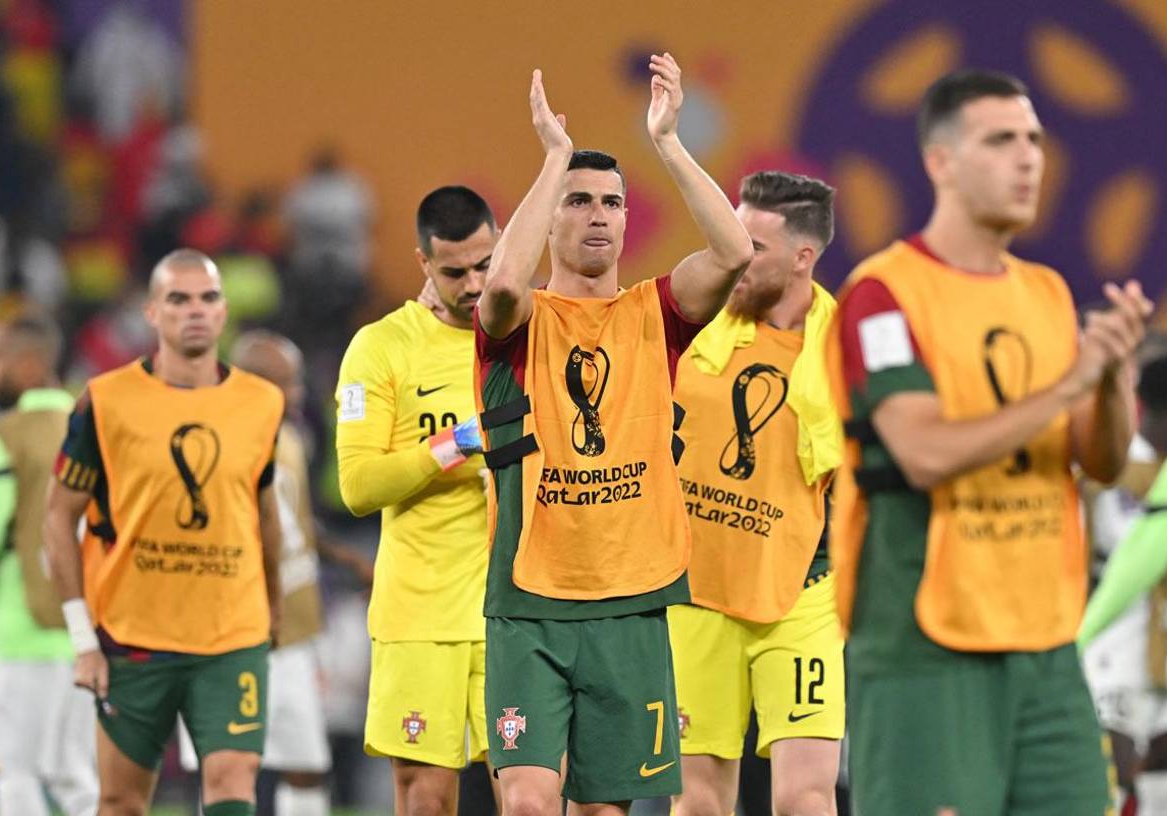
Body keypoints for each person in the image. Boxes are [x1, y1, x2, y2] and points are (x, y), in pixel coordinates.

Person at [825, 68, 1151, 814]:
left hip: (1045, 643)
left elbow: (1098, 462)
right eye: (1001, 140)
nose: (1029, 158)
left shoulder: (1046, 293)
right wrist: (1069, 385)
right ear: (940, 162)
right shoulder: (883, 295)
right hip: (923, 645)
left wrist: (1110, 377)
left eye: (1034, 140)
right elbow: (922, 451)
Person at [474, 54, 752, 815]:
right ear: (550, 215)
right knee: (529, 801)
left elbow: (733, 254)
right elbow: (499, 285)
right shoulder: (519, 324)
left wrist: (667, 142)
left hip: (630, 602)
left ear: (629, 218)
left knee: (606, 809)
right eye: (578, 201)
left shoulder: (654, 315)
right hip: (529, 600)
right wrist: (553, 159)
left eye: (611, 202)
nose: (597, 214)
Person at [43, 249, 286, 816]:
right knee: (122, 801)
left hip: (232, 636)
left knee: (232, 785)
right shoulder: (104, 403)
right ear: (152, 312)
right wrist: (83, 640)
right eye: (178, 299)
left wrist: (273, 608)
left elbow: (264, 510)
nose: (194, 310)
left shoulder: (262, 403)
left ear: (225, 311)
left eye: (207, 298)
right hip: (133, 639)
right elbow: (58, 516)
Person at [667, 171, 843, 816]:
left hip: (801, 592)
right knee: (700, 800)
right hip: (697, 592)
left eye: (753, 247)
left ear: (804, 257)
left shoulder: (843, 351)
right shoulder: (687, 324)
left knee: (805, 798)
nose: (734, 255)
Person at [335, 185, 497, 816]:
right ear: (423, 263)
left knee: (532, 791)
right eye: (455, 271)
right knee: (427, 797)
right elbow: (358, 487)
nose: (474, 283)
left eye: (485, 264)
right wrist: (458, 443)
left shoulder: (526, 335)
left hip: (512, 609)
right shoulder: (382, 348)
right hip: (420, 614)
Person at [178, 330, 360, 816]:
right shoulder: (210, 445)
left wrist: (345, 558)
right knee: (224, 767)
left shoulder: (290, 438)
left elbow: (293, 521)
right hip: (231, 634)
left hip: (295, 632)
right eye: (287, 383)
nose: (298, 394)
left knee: (306, 764)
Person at [1079, 339, 1167, 816]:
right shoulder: (1129, 463)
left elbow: (1138, 562)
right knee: (1128, 753)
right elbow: (1128, 563)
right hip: (1134, 631)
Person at [0, 315, 99, 816]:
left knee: (14, 771)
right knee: (75, 773)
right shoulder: (97, 428)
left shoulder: (8, 435)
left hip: (19, 629)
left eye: (0, 359)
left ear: (30, 363)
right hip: (88, 630)